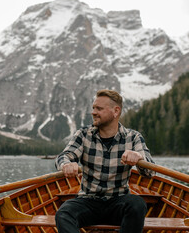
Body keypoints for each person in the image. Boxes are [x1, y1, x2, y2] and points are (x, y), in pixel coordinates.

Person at [54, 89, 155, 233]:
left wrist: (139, 158)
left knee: (137, 204)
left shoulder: (133, 137)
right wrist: (66, 164)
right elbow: (64, 156)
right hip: (88, 201)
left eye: (99, 109)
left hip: (118, 201)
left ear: (116, 111)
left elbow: (150, 172)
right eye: (93, 108)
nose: (93, 112)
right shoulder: (83, 135)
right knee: (63, 213)